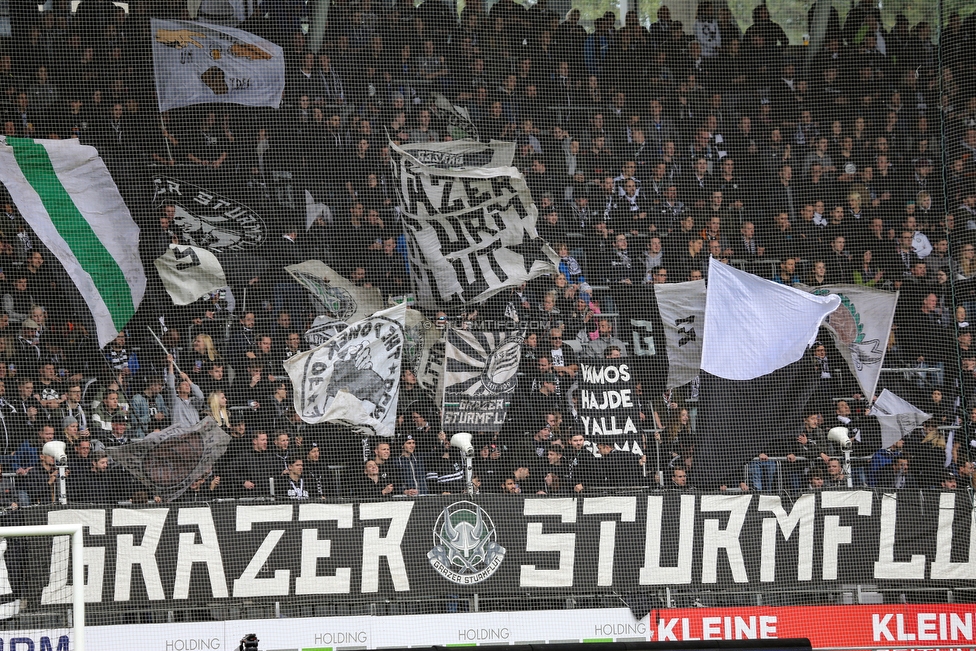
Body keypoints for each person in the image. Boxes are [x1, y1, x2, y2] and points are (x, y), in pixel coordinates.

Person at [165, 354, 205, 428]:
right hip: (181, 436)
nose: (187, 386)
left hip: (195, 435)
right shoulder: (174, 401)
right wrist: (170, 364)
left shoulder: (194, 402)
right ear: (178, 389)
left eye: (188, 385)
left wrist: (187, 379)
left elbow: (201, 396)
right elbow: (171, 386)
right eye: (184, 384)